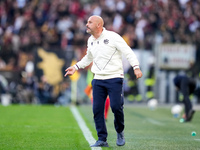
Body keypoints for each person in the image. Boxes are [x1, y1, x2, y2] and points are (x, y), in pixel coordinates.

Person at [64, 15, 143, 147]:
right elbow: (88, 58)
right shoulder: (90, 40)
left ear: (99, 25)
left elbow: (128, 52)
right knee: (97, 110)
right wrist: (75, 67)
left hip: (114, 78)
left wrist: (136, 67)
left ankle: (119, 131)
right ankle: (102, 138)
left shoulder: (113, 37)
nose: (86, 24)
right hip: (98, 80)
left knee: (116, 107)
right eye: (87, 22)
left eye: (90, 22)